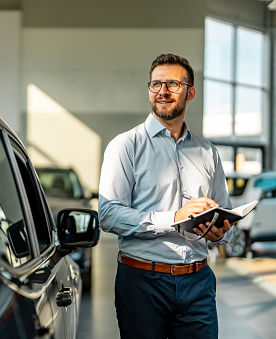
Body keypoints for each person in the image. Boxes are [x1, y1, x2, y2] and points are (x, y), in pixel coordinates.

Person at [98, 53, 233, 339]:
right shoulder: (125, 146)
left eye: (172, 84)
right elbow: (108, 214)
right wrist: (174, 218)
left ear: (190, 92)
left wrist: (219, 231)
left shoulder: (208, 152)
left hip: (198, 282)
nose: (162, 91)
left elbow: (224, 214)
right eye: (156, 84)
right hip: (142, 282)